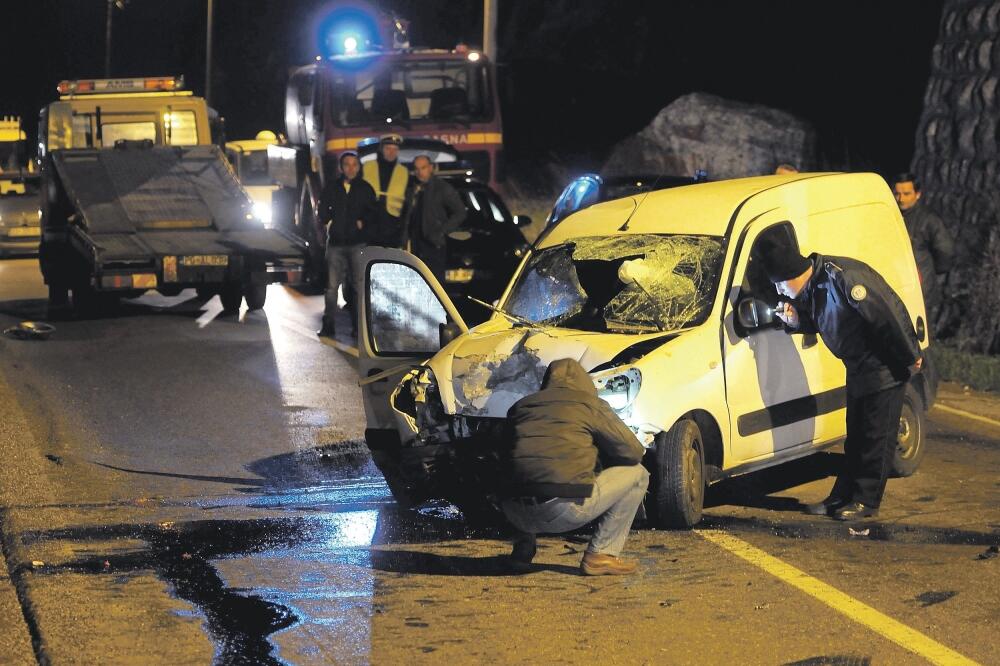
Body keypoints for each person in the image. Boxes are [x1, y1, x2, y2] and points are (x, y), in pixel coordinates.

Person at [758, 226, 922, 521]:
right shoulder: (814, 286)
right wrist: (796, 321)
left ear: (792, 274)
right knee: (857, 438)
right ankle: (842, 497)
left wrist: (910, 356)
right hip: (858, 368)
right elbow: (825, 320)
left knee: (876, 438)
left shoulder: (842, 278)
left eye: (781, 286)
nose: (781, 292)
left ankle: (865, 501)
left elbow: (886, 315)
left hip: (883, 367)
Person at [500, 358, 649, 575]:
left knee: (525, 469)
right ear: (585, 383)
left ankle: (522, 550)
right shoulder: (588, 404)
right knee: (638, 474)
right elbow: (633, 451)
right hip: (561, 511)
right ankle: (601, 555)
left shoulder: (521, 407)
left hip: (514, 513)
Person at [317, 151, 375, 338]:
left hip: (358, 244)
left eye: (354, 164)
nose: (351, 168)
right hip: (335, 244)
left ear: (359, 167)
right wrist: (327, 219)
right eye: (347, 164)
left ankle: (359, 329)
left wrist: (364, 222)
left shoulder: (365, 188)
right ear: (341, 168)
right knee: (332, 287)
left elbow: (373, 211)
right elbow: (322, 209)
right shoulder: (332, 187)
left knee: (359, 287)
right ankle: (328, 325)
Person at [891, 172, 954, 324]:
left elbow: (945, 251)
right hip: (895, 284)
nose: (901, 199)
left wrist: (931, 272)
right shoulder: (889, 216)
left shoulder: (929, 220)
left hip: (921, 287)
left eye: (907, 193)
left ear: (917, 194)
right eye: (897, 194)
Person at [406, 155, 466, 282]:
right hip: (416, 245)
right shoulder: (413, 188)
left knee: (435, 283)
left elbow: (460, 212)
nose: (419, 172)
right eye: (416, 168)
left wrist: (441, 231)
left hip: (433, 244)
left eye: (423, 168)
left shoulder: (442, 188)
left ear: (431, 168)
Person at [362, 133, 410, 247]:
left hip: (392, 224)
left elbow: (407, 200)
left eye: (395, 149)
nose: (391, 152)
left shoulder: (403, 171)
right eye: (388, 149)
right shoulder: (366, 166)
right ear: (381, 149)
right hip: (369, 221)